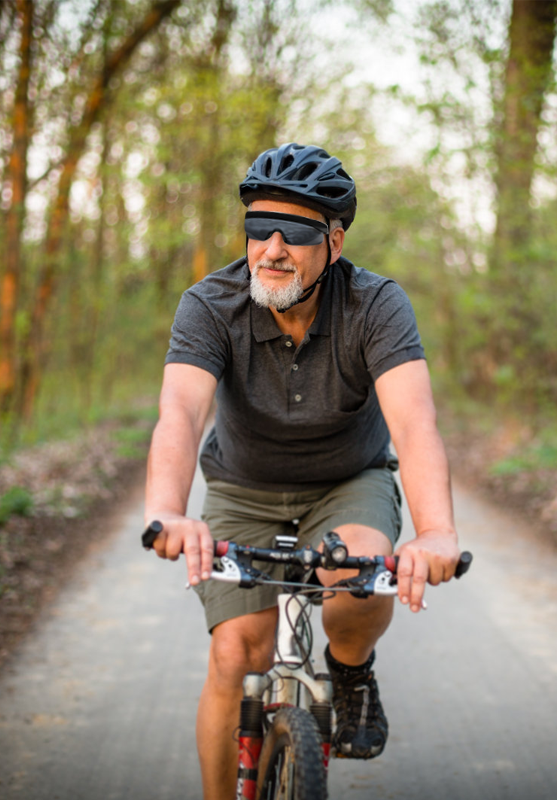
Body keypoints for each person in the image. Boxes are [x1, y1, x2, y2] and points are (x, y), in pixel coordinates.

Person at [144, 143, 461, 800]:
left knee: (356, 581)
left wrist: (434, 532)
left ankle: (351, 670)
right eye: (260, 228)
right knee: (237, 653)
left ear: (334, 243)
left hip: (348, 481)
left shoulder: (375, 305)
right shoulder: (210, 304)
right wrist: (168, 511)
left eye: (296, 233)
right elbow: (180, 412)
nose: (273, 249)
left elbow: (414, 424)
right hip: (243, 487)